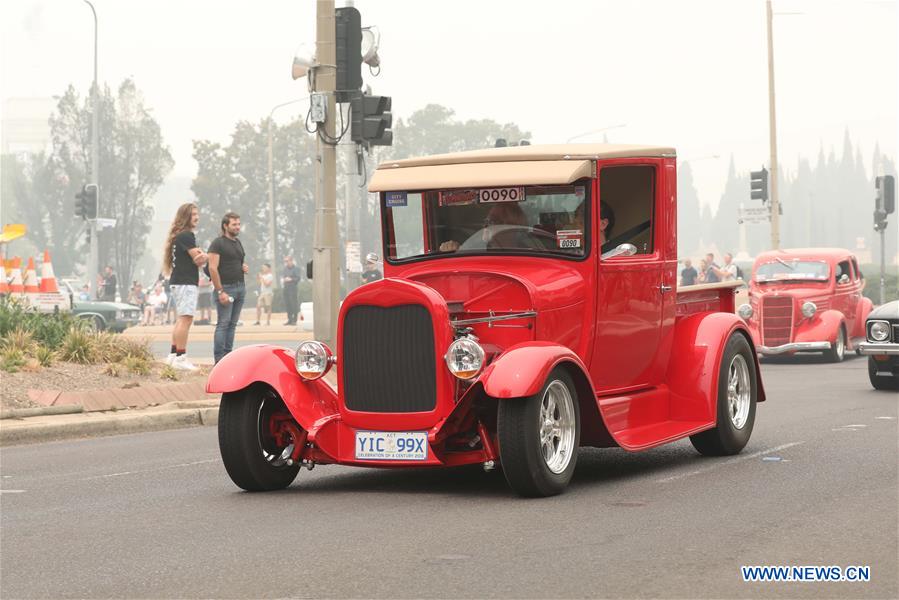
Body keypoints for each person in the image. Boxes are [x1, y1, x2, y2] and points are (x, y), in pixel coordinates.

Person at [162, 202, 207, 371]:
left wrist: (200, 253)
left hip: (178, 282)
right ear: (185, 216)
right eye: (193, 214)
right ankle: (181, 357)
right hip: (186, 282)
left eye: (197, 214)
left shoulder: (179, 236)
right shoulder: (187, 236)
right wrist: (207, 255)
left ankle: (173, 355)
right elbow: (198, 259)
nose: (197, 217)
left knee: (181, 318)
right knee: (186, 318)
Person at [208, 212, 248, 363]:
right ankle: (219, 360)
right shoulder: (218, 243)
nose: (238, 227)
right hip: (226, 288)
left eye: (239, 224)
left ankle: (228, 358)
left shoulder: (237, 242)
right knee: (223, 324)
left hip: (240, 287)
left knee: (232, 324)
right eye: (234, 224)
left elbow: (235, 261)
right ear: (225, 226)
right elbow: (212, 268)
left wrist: (242, 267)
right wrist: (220, 291)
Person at [281, 255, 301, 325]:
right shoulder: (285, 269)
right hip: (286, 288)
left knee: (293, 304)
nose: (286, 263)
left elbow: (298, 278)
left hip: (293, 288)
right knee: (287, 304)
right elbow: (284, 277)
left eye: (287, 261)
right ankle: (289, 319)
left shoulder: (296, 269)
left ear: (291, 261)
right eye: (285, 261)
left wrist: (291, 279)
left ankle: (294, 320)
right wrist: (284, 280)